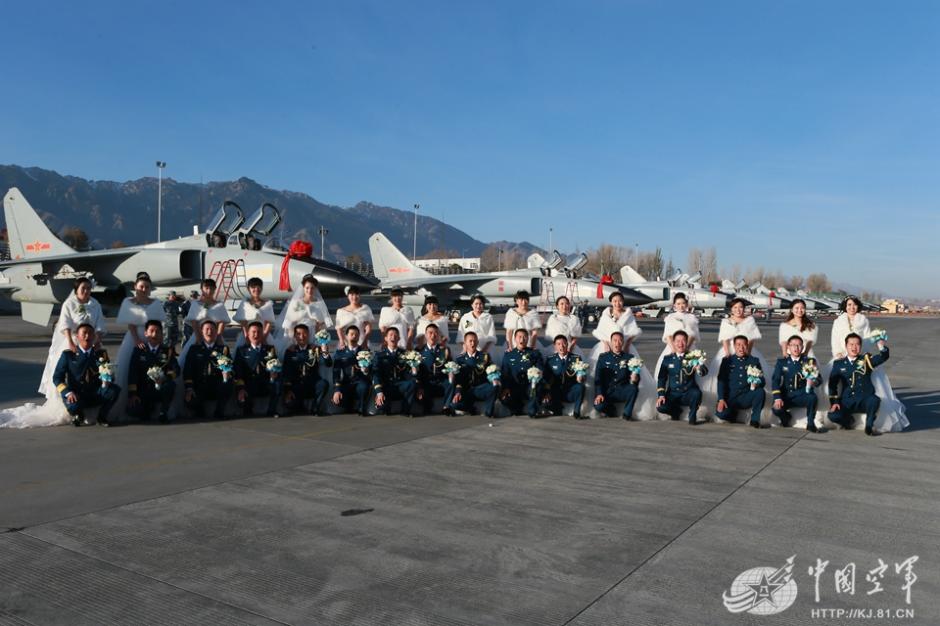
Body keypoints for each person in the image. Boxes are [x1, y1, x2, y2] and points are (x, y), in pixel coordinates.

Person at [1, 277, 107, 428]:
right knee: (67, 374)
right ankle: (71, 406)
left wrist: (97, 340)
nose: (86, 291)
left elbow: (100, 325)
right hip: (74, 342)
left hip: (91, 342)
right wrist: (70, 342)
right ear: (76, 289)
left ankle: (92, 403)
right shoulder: (70, 304)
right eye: (83, 288)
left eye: (89, 288)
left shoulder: (95, 304)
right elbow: (65, 325)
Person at [827, 296, 907, 431]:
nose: (852, 308)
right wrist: (837, 353)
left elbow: (867, 340)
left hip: (861, 358)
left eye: (854, 305)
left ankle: (869, 420)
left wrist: (871, 350)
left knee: (873, 393)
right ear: (844, 307)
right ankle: (841, 411)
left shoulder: (863, 321)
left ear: (858, 306)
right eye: (849, 305)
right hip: (842, 355)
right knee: (833, 383)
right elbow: (834, 339)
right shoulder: (838, 322)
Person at [588, 291, 657, 420]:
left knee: (630, 375)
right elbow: (601, 332)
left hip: (625, 347)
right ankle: (604, 401)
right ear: (611, 302)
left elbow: (632, 333)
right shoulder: (606, 315)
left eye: (619, 301)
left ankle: (628, 407)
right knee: (601, 375)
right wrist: (606, 344)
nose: (617, 303)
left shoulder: (628, 315)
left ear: (623, 302)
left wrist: (626, 345)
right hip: (607, 346)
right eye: (614, 301)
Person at [701, 297, 771, 418]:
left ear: (744, 309)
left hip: (746, 350)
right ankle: (724, 403)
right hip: (729, 351)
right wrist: (727, 352)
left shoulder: (749, 320)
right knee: (724, 379)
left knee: (752, 378)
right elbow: (724, 339)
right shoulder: (726, 321)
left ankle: (751, 407)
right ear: (731, 309)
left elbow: (752, 338)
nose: (738, 310)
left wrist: (748, 353)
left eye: (740, 307)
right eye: (735, 307)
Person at [114, 272, 166, 419]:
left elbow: (159, 324)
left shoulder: (155, 303)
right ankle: (130, 401)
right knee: (130, 369)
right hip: (134, 337)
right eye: (141, 286)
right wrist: (137, 339)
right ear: (135, 287)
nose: (144, 289)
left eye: (147, 287)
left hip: (153, 337)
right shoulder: (128, 302)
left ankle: (151, 401)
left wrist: (159, 341)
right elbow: (130, 324)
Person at [53, 323, 119, 427]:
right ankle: (78, 414)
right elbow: (57, 377)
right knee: (73, 405)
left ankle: (102, 417)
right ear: (77, 337)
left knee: (114, 390)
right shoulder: (68, 355)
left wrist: (107, 380)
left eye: (90, 333)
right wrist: (68, 392)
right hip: (77, 394)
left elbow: (109, 373)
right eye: (84, 333)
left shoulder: (101, 354)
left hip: (95, 392)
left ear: (94, 336)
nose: (87, 336)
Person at [827, 332, 891, 435]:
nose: (854, 347)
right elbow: (832, 385)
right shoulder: (838, 364)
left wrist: (881, 345)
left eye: (857, 344)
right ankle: (848, 421)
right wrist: (834, 402)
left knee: (874, 400)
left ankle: (869, 424)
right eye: (851, 344)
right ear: (846, 346)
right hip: (847, 401)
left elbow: (883, 357)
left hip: (864, 399)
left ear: (860, 346)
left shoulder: (866, 360)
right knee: (833, 416)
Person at [126, 320, 179, 423]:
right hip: (144, 389)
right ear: (146, 333)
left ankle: (163, 412)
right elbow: (133, 373)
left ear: (161, 334)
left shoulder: (167, 351)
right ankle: (147, 408)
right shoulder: (138, 351)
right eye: (151, 331)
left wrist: (164, 378)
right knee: (133, 411)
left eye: (157, 331)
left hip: (161, 387)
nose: (154, 334)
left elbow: (176, 369)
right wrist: (132, 394)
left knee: (171, 385)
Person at [183, 320, 234, 419]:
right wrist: (189, 387)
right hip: (200, 385)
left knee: (227, 384)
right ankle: (199, 411)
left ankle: (219, 412)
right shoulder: (194, 349)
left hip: (217, 385)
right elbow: (188, 370)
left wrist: (226, 375)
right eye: (207, 329)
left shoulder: (222, 349)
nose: (209, 332)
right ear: (201, 331)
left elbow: (229, 369)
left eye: (212, 329)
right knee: (190, 401)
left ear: (216, 332)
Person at [656, 330, 707, 425]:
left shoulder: (692, 357)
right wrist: (661, 395)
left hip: (688, 392)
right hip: (673, 394)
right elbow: (662, 378)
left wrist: (699, 367)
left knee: (697, 393)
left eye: (683, 341)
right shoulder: (668, 359)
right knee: (660, 407)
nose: (680, 344)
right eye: (678, 341)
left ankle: (692, 417)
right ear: (674, 343)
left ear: (686, 342)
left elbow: (704, 372)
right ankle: (676, 412)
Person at [715, 335, 767, 428]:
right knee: (721, 414)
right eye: (738, 345)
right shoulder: (727, 361)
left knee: (760, 392)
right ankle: (732, 414)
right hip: (731, 398)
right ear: (734, 346)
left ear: (747, 346)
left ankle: (755, 419)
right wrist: (721, 399)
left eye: (743, 345)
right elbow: (721, 381)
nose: (741, 348)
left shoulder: (754, 361)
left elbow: (763, 381)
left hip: (746, 396)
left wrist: (756, 381)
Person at [771, 335, 820, 432]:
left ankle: (810, 423)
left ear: (803, 347)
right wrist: (777, 397)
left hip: (803, 394)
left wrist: (814, 381)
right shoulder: (782, 362)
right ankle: (786, 418)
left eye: (799, 345)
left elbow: (819, 379)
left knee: (812, 397)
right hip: (787, 395)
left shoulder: (809, 361)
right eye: (793, 345)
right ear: (788, 347)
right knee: (776, 409)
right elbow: (775, 380)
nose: (796, 348)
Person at [275, 274, 333, 355]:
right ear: (303, 288)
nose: (310, 290)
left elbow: (323, 324)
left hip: (313, 333)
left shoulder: (319, 303)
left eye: (312, 288)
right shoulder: (297, 302)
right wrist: (292, 340)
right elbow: (289, 322)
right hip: (298, 334)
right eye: (307, 288)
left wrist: (319, 336)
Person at [234, 322, 282, 417]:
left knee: (277, 383)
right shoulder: (241, 351)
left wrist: (273, 375)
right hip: (250, 383)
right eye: (253, 332)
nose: (256, 335)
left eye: (259, 332)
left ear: (263, 334)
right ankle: (247, 410)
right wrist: (240, 388)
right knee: (243, 396)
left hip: (265, 382)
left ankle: (272, 410)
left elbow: (275, 366)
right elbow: (238, 372)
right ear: (248, 333)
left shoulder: (270, 349)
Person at [282, 323, 332, 416]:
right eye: (299, 334)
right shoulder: (290, 351)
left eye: (304, 333)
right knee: (290, 404)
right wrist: (288, 390)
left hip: (312, 382)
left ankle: (315, 408)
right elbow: (286, 371)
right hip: (297, 384)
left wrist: (325, 352)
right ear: (294, 336)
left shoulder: (315, 349)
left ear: (308, 335)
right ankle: (299, 406)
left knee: (323, 384)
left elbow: (328, 364)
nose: (302, 336)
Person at [446, 331, 498, 417]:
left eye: (474, 341)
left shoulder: (484, 357)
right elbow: (459, 380)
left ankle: (489, 412)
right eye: (470, 341)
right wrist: (458, 392)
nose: (472, 343)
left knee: (495, 386)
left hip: (480, 389)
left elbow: (491, 371)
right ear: (465, 343)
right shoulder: (460, 360)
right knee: (454, 405)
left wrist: (495, 379)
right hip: (467, 390)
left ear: (477, 342)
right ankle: (470, 408)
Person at [180, 279, 230, 366]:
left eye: (211, 288)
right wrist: (198, 337)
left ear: (215, 289)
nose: (209, 291)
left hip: (215, 336)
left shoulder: (219, 305)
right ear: (201, 289)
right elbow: (194, 321)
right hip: (197, 336)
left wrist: (218, 337)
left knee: (222, 360)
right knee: (192, 360)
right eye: (206, 288)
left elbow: (222, 322)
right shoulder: (196, 304)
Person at [593, 332, 640, 420]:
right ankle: (611, 410)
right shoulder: (603, 357)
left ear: (623, 342)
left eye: (620, 341)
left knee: (634, 388)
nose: (617, 343)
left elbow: (636, 380)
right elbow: (598, 377)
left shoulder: (629, 358)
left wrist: (634, 378)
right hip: (607, 392)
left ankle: (627, 413)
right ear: (611, 342)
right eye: (615, 340)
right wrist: (599, 394)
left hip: (622, 390)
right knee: (598, 406)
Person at [372, 327, 418, 416]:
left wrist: (414, 371)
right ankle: (383, 404)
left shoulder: (405, 354)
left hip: (400, 384)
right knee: (382, 409)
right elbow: (376, 374)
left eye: (395, 335)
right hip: (387, 386)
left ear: (399, 338)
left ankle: (406, 410)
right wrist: (379, 392)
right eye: (390, 335)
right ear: (385, 338)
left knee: (412, 383)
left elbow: (409, 374)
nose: (393, 337)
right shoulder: (379, 355)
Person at [654, 292, 700, 380]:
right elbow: (668, 335)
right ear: (674, 305)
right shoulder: (670, 317)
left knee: (690, 373)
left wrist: (686, 349)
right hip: (672, 348)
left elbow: (693, 335)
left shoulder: (692, 317)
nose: (681, 306)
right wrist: (674, 350)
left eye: (683, 303)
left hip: (689, 348)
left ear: (686, 304)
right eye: (678, 304)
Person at [500, 328, 545, 418]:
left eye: (525, 337)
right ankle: (516, 408)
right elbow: (505, 373)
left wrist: (536, 377)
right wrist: (505, 388)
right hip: (514, 387)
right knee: (503, 396)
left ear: (528, 339)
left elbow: (541, 370)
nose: (522, 339)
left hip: (529, 386)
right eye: (519, 337)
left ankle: (532, 410)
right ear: (515, 339)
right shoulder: (509, 355)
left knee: (536, 389)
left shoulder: (534, 354)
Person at [544, 335, 587, 419]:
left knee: (581, 387)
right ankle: (556, 408)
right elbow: (546, 378)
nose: (561, 346)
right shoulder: (550, 359)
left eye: (564, 344)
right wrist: (546, 392)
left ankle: (576, 412)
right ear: (555, 346)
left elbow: (583, 375)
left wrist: (581, 377)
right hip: (556, 391)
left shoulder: (576, 358)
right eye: (558, 344)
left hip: (571, 389)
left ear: (567, 345)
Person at [332, 326, 372, 415]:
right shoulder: (340, 353)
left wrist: (366, 371)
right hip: (347, 382)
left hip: (360, 381)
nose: (354, 336)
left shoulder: (365, 352)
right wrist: (337, 389)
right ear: (346, 336)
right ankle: (349, 405)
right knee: (337, 401)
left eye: (357, 335)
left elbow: (371, 370)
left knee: (363, 387)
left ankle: (361, 406)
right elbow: (336, 373)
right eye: (352, 334)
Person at [417, 323, 453, 415]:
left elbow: (450, 366)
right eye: (430, 333)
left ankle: (446, 407)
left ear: (439, 336)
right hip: (426, 382)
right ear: (425, 335)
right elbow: (417, 372)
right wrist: (419, 386)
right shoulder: (419, 351)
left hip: (440, 381)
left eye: (436, 333)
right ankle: (427, 406)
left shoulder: (444, 350)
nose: (433, 335)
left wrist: (451, 374)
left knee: (450, 383)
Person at [232, 278, 276, 348]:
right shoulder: (245, 303)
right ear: (248, 289)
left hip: (264, 335)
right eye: (253, 287)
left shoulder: (267, 304)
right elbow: (243, 323)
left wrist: (263, 337)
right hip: (247, 336)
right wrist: (247, 337)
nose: (256, 289)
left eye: (258, 287)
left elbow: (269, 323)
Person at [335, 285, 375, 350]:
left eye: (356, 294)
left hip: (361, 340)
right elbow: (339, 329)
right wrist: (342, 341)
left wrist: (365, 341)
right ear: (348, 296)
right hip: (347, 342)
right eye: (352, 294)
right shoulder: (341, 311)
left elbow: (368, 327)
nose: (354, 297)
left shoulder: (365, 308)